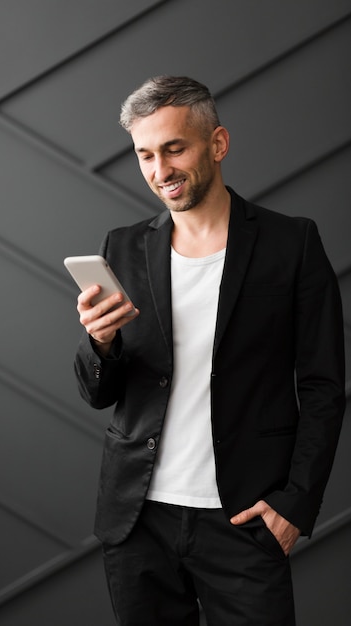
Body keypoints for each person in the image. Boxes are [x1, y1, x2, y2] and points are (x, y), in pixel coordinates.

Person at [74, 76, 345, 625]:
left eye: (175, 148)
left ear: (217, 144)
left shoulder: (292, 243)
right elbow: (99, 392)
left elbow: (323, 385)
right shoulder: (122, 247)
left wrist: (296, 502)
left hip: (245, 519)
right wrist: (100, 343)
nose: (160, 171)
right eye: (146, 155)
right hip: (137, 520)